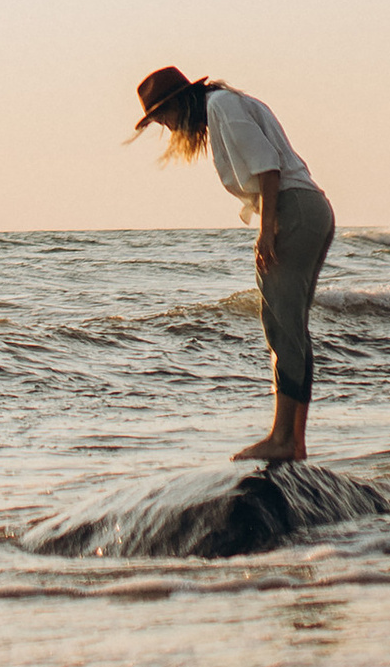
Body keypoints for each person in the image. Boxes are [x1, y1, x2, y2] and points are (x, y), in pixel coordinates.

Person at [133, 65, 336, 464]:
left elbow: (268, 169)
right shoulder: (230, 104)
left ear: (179, 103)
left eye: (163, 117)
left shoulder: (222, 107)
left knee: (281, 324)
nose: (168, 128)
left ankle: (282, 438)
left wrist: (266, 231)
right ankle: (294, 440)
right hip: (309, 208)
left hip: (293, 209)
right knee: (291, 325)